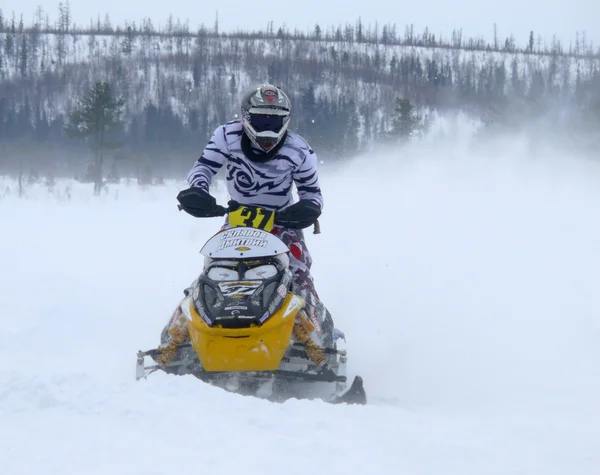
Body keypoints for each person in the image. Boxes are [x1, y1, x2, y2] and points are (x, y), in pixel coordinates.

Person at [156, 84, 335, 372]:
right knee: (210, 275)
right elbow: (203, 167)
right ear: (245, 118)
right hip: (236, 218)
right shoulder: (226, 136)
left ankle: (322, 352)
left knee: (298, 277)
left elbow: (312, 192)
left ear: (286, 121)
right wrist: (198, 190)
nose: (268, 129)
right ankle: (169, 348)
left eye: (274, 121)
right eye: (262, 120)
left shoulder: (300, 150)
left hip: (282, 221)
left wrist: (309, 208)